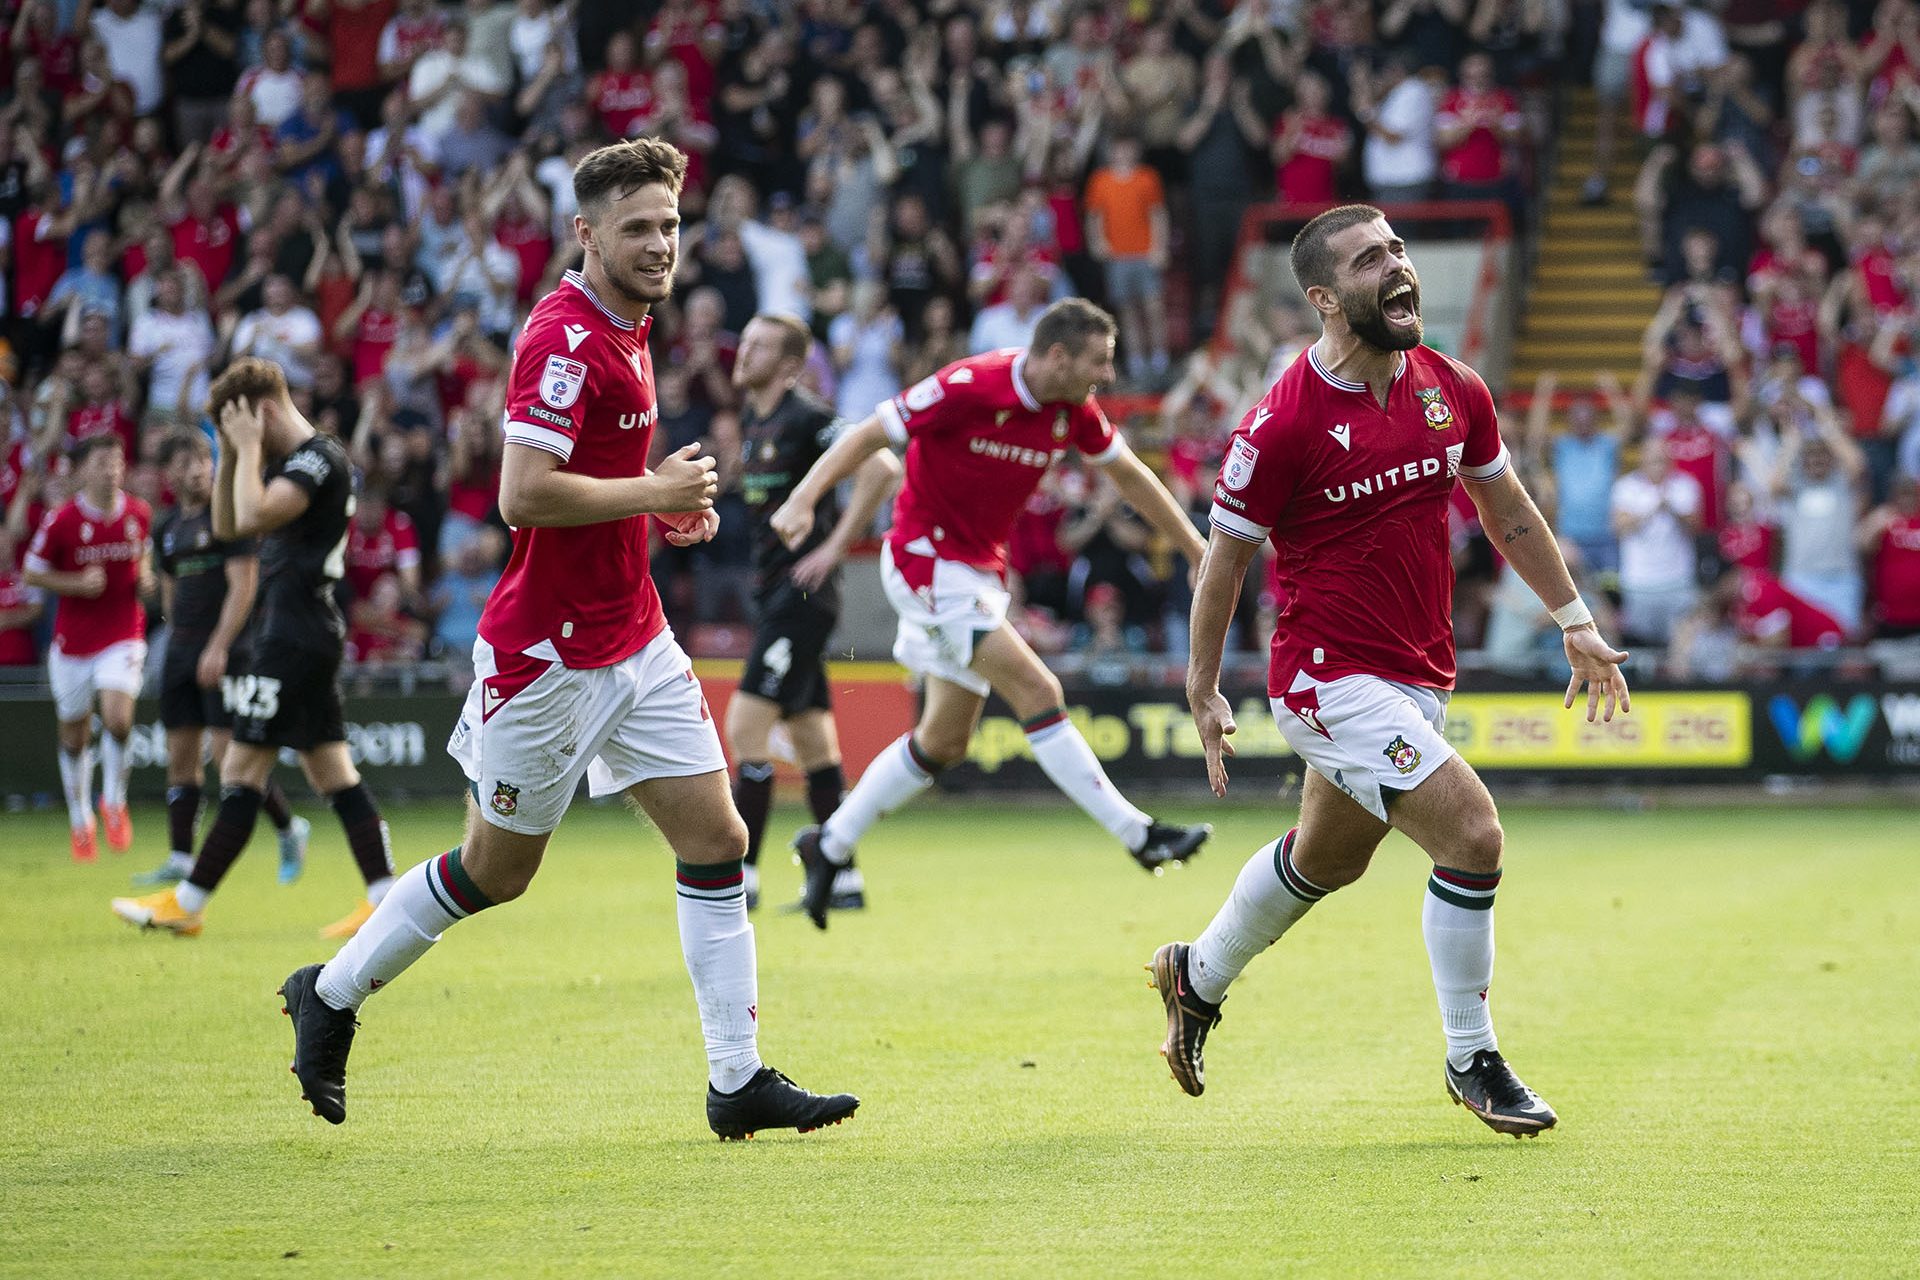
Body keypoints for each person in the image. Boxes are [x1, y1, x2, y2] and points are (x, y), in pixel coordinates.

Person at [279, 140, 858, 1139]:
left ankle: (737, 1080)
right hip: (547, 659)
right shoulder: (565, 338)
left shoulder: (629, 326)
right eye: (638, 228)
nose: (661, 244)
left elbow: (594, 486)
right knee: (495, 871)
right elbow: (521, 494)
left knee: (719, 839)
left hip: (635, 637)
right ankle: (328, 993)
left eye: (670, 225)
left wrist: (660, 518)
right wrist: (656, 491)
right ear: (585, 234)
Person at [1153, 205, 1632, 1138]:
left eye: (1400, 249)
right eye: (1373, 259)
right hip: (1325, 679)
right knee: (1475, 837)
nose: (1398, 266)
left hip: (1417, 673)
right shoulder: (1280, 424)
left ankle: (1194, 977)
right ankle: (1472, 1056)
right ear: (1327, 298)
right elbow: (1226, 560)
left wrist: (1573, 620)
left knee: (1328, 859)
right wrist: (1204, 686)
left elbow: (1511, 514)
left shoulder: (1451, 385)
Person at [771, 298, 1214, 930]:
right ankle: (1139, 834)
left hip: (977, 572)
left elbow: (1130, 475)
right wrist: (805, 499)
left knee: (944, 741)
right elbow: (871, 432)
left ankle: (829, 843)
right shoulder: (969, 385)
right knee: (1038, 687)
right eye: (1099, 362)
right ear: (1057, 356)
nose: (1108, 377)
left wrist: (1193, 546)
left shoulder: (1071, 409)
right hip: (925, 559)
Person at [110, 359, 398, 940]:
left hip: (292, 636)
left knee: (240, 769)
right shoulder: (287, 462)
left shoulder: (317, 458)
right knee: (332, 770)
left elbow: (255, 514)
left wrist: (242, 451)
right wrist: (229, 453)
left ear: (262, 412)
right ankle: (385, 896)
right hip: (302, 632)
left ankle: (189, 901)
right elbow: (228, 523)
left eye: (239, 426)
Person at [728, 312, 902, 912]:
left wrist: (834, 548)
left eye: (758, 346)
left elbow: (882, 467)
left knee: (745, 732)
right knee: (814, 745)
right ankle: (844, 880)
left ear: (790, 365)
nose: (743, 351)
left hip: (799, 601)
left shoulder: (807, 416)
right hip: (777, 594)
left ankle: (739, 881)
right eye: (745, 341)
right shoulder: (756, 420)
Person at [132, 431, 311, 889]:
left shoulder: (228, 517)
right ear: (169, 473)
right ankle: (179, 858)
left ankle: (290, 829)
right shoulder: (168, 527)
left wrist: (219, 645)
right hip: (180, 651)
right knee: (180, 759)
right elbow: (170, 594)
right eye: (185, 462)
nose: (196, 469)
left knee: (229, 760)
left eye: (201, 460)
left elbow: (244, 586)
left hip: (227, 652)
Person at [22, 435, 152, 862]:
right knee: (74, 738)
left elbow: (144, 556)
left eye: (116, 460)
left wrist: (147, 578)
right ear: (82, 469)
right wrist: (75, 584)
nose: (111, 469)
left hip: (123, 631)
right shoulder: (61, 520)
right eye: (101, 462)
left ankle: (113, 801)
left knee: (118, 718)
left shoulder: (138, 513)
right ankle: (81, 819)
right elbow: (33, 573)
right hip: (74, 641)